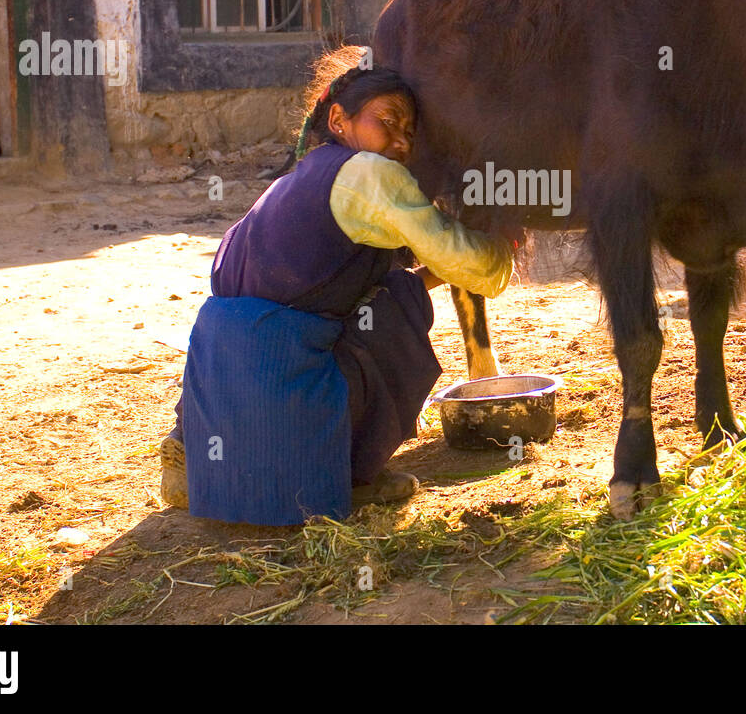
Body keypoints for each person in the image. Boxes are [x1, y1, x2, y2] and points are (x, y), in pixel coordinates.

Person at [160, 58, 513, 524]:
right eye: (388, 121)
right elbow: (471, 263)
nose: (402, 141)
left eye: (410, 132)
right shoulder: (370, 174)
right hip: (280, 365)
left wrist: (433, 274)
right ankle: (348, 475)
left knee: (391, 293)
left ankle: (192, 446)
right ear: (338, 120)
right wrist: (506, 241)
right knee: (394, 317)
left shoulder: (299, 178)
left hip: (217, 373)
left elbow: (347, 282)